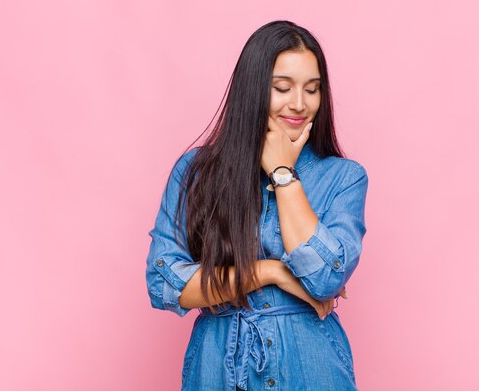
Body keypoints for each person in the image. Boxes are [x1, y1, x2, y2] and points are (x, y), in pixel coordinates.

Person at [145, 20, 369, 391]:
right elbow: (165, 285)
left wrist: (283, 172)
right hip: (216, 367)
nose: (299, 103)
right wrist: (271, 272)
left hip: (310, 366)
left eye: (312, 90)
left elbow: (325, 279)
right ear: (253, 90)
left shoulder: (344, 178)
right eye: (282, 88)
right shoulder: (196, 172)